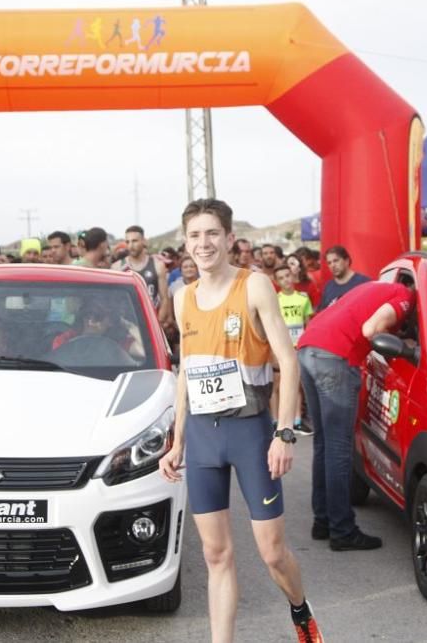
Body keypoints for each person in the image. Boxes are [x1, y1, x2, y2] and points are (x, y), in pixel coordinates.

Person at [159, 199, 323, 643]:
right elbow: (186, 373)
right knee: (216, 554)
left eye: (212, 233)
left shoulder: (255, 286)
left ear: (229, 238)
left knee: (271, 553)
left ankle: (300, 609)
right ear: (185, 242)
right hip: (203, 438)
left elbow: (287, 363)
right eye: (194, 235)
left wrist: (284, 432)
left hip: (250, 433)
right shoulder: (181, 297)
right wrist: (177, 441)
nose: (203, 243)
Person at [297, 277, 414, 551]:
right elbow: (371, 328)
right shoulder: (404, 297)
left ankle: (323, 521)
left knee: (323, 443)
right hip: (335, 358)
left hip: (308, 349)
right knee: (339, 449)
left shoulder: (374, 286)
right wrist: (402, 340)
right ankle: (343, 531)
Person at [274, 265, 314, 437]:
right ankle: (275, 421)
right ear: (277, 281)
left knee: (296, 385)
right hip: (280, 348)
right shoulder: (275, 300)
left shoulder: (303, 299)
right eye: (281, 278)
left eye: (287, 275)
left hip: (298, 347)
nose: (286, 280)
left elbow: (308, 323)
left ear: (293, 276)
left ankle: (297, 421)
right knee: (276, 385)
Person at [114, 225, 171, 327]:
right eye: (128, 242)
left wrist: (158, 324)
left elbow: (164, 299)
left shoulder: (158, 265)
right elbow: (113, 300)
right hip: (126, 325)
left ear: (144, 241)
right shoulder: (118, 267)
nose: (131, 245)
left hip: (151, 322)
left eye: (134, 241)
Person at [51, 301, 144, 359]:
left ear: (110, 321)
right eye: (87, 315)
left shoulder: (117, 343)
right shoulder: (68, 338)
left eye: (98, 317)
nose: (90, 322)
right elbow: (58, 359)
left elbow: (143, 350)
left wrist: (127, 325)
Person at [317, 245, 370, 312]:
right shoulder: (328, 287)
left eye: (336, 261)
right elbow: (322, 313)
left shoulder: (363, 282)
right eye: (329, 263)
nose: (332, 265)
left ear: (346, 261)